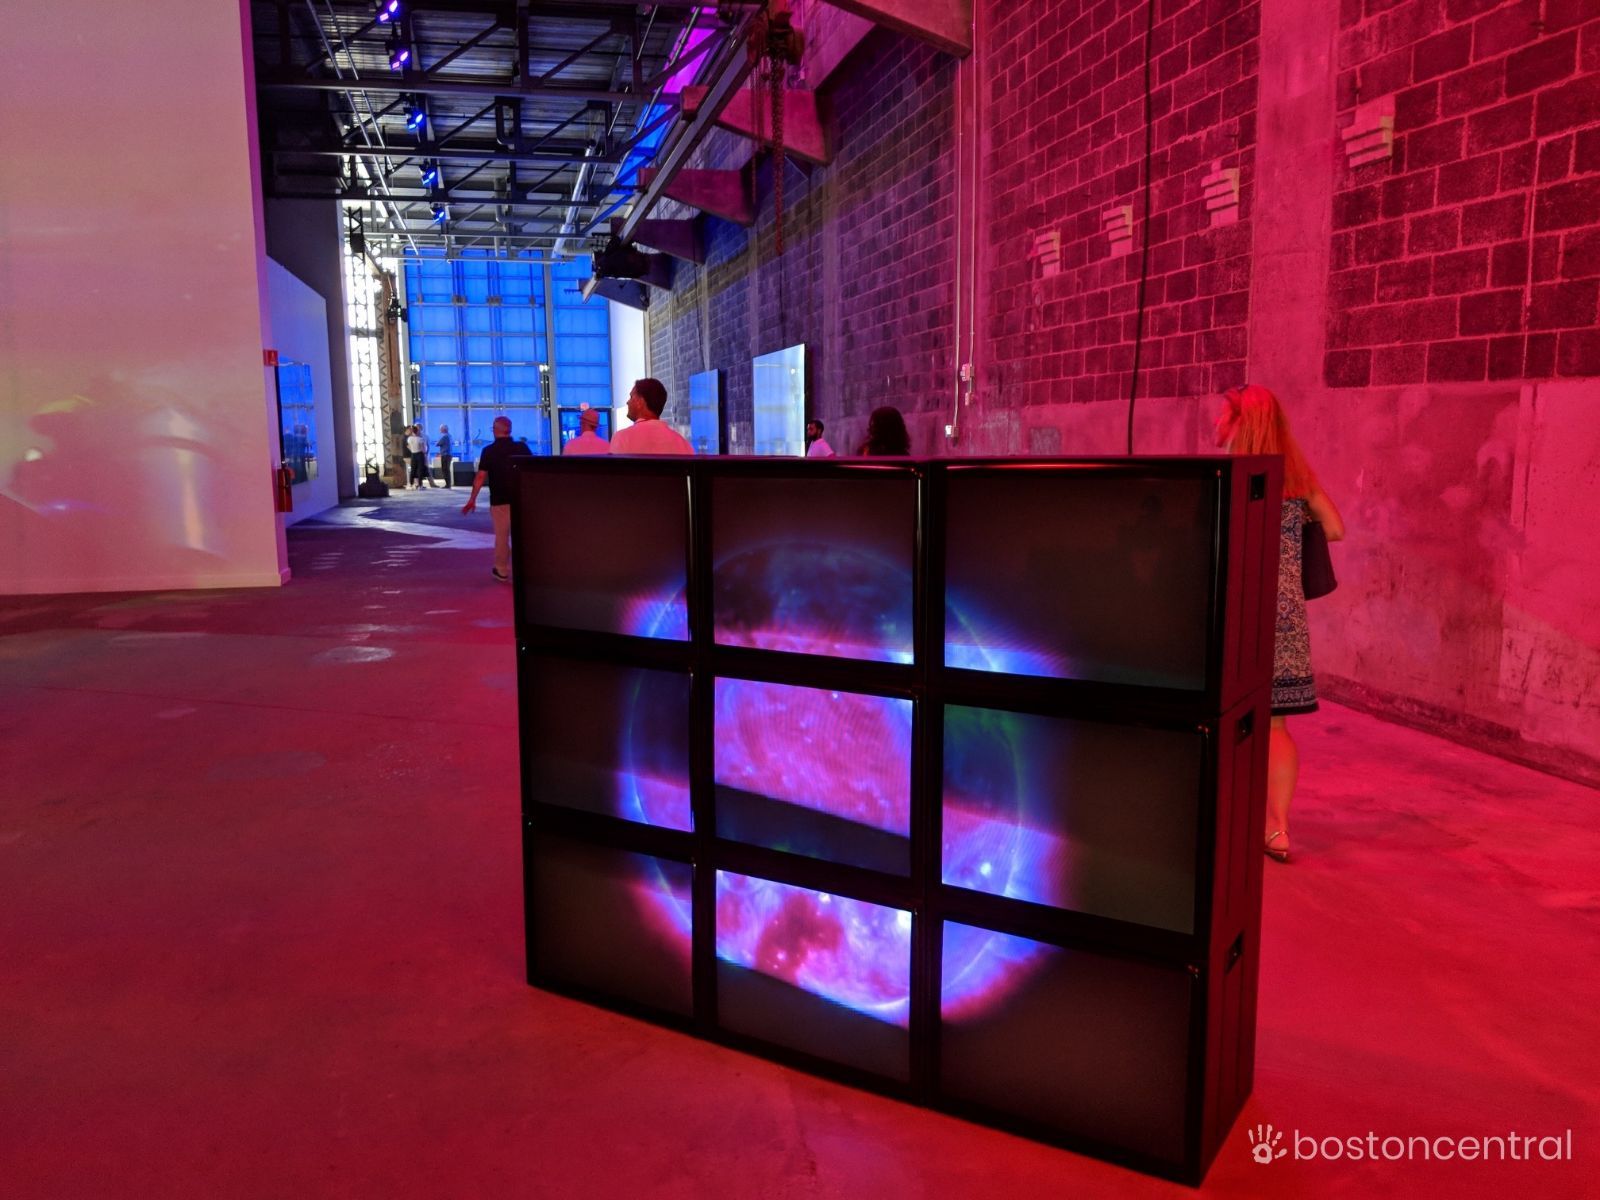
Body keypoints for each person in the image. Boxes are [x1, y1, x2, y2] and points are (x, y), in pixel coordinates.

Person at [1216, 384, 1345, 864]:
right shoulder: (1296, 480)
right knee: (1275, 726)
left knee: (1222, 718)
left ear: (1239, 423)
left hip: (1232, 611)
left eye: (1223, 415)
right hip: (1283, 618)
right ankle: (1278, 828)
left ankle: (1226, 818)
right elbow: (1336, 528)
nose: (1216, 423)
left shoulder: (1227, 478)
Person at [461, 416, 534, 582]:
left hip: (500, 500)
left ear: (495, 430)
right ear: (510, 430)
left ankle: (501, 570)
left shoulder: (489, 451)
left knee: (502, 536)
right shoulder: (522, 447)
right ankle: (526, 569)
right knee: (523, 536)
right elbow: (531, 470)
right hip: (521, 499)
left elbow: (480, 477)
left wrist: (472, 499)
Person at [609, 378, 693, 455]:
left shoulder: (622, 438)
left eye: (631, 397)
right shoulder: (683, 444)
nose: (627, 402)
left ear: (640, 402)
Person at [405, 425, 430, 489]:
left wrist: (412, 450)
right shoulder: (420, 439)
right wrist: (425, 453)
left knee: (413, 469)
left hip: (413, 454)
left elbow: (408, 446)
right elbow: (424, 450)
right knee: (420, 470)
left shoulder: (409, 439)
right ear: (417, 431)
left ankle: (410, 484)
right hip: (420, 455)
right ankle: (420, 485)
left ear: (412, 432)